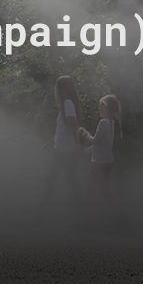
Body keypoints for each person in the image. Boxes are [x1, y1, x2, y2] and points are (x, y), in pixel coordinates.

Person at [39, 75, 83, 214]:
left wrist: (77, 145)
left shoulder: (67, 104)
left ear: (61, 89)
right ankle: (85, 215)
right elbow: (63, 130)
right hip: (64, 149)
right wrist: (50, 142)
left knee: (51, 181)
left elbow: (74, 124)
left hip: (65, 151)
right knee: (70, 183)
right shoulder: (67, 104)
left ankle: (39, 214)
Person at [79, 94, 122, 216]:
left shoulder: (103, 122)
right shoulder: (111, 123)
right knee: (106, 192)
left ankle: (87, 219)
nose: (99, 109)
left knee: (90, 191)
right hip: (108, 163)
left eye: (101, 107)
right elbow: (102, 144)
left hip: (99, 164)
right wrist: (86, 152)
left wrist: (85, 133)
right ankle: (123, 215)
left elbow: (95, 141)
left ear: (107, 108)